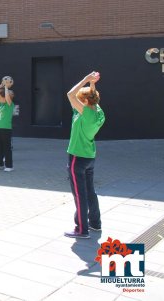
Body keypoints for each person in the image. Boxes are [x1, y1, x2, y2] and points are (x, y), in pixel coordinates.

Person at [64, 71, 105, 239]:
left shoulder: (86, 113)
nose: (77, 101)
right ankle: (95, 223)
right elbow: (92, 98)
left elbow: (69, 94)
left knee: (79, 194)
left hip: (77, 158)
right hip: (89, 157)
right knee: (90, 191)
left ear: (85, 102)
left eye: (81, 99)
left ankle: (82, 229)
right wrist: (93, 84)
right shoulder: (98, 113)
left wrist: (86, 79)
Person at [0, 83, 15, 171]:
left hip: (6, 129)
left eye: (0, 97)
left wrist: (6, 87)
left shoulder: (9, 104)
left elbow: (7, 97)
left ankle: (9, 166)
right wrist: (0, 85)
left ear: (4, 97)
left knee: (7, 147)